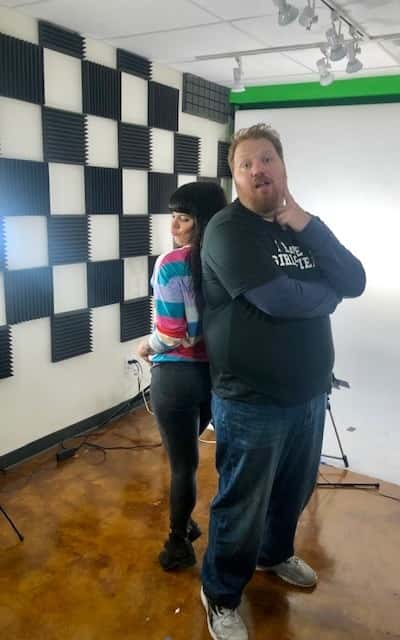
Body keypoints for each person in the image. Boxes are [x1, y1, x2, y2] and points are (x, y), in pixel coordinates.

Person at [199, 124, 366, 640]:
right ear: (235, 178)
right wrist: (329, 296)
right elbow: (279, 300)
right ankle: (220, 593)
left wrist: (307, 224)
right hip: (251, 399)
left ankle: (273, 555)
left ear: (283, 167)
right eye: (245, 164)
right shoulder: (227, 230)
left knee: (294, 491)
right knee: (242, 504)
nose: (258, 170)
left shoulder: (302, 228)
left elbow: (355, 279)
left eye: (266, 158)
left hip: (309, 392)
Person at [137, 181, 227, 571]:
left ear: (203, 221)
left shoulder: (171, 263)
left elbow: (172, 333)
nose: (173, 226)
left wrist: (146, 347)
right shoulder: (227, 261)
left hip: (175, 379)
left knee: (182, 465)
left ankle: (177, 545)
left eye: (184, 218)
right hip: (213, 377)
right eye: (172, 216)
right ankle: (186, 524)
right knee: (190, 459)